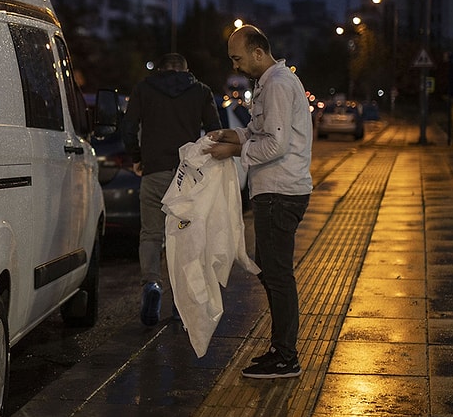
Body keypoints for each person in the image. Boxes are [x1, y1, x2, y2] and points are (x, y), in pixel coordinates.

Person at [204, 25, 313, 379]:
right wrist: (228, 134)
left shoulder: (279, 84)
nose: (236, 66)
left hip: (280, 193)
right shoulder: (268, 83)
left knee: (278, 274)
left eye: (237, 58)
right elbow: (255, 132)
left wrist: (233, 151)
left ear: (257, 52)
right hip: (273, 192)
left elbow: (274, 145)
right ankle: (281, 349)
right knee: (270, 269)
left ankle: (286, 357)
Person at [120, 52, 222, 326]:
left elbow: (128, 128)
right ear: (186, 70)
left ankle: (151, 284)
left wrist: (138, 157)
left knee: (151, 234)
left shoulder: (144, 89)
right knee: (185, 237)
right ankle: (180, 300)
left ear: (161, 69)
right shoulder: (200, 91)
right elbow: (215, 131)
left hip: (153, 173)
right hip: (186, 178)